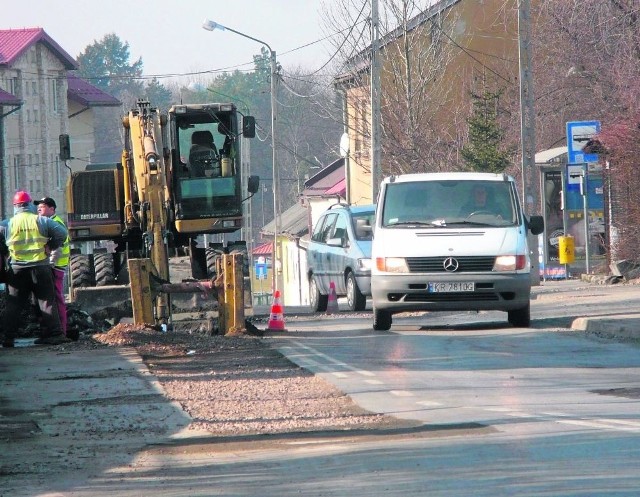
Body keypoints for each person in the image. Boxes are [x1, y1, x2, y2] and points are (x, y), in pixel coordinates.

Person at [1, 191, 68, 347]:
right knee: (46, 302)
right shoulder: (41, 221)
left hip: (17, 269)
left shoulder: (7, 224)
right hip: (40, 267)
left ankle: (7, 338)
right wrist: (50, 246)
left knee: (13, 304)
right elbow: (62, 233)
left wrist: (4, 251)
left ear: (15, 206)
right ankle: (56, 334)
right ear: (29, 204)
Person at [34, 197, 72, 340]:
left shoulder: (55, 223)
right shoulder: (48, 223)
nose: (39, 210)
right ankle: (55, 330)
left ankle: (62, 331)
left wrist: (50, 263)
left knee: (56, 299)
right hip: (53, 266)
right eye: (38, 207)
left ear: (52, 209)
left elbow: (59, 247)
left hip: (56, 267)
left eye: (42, 207)